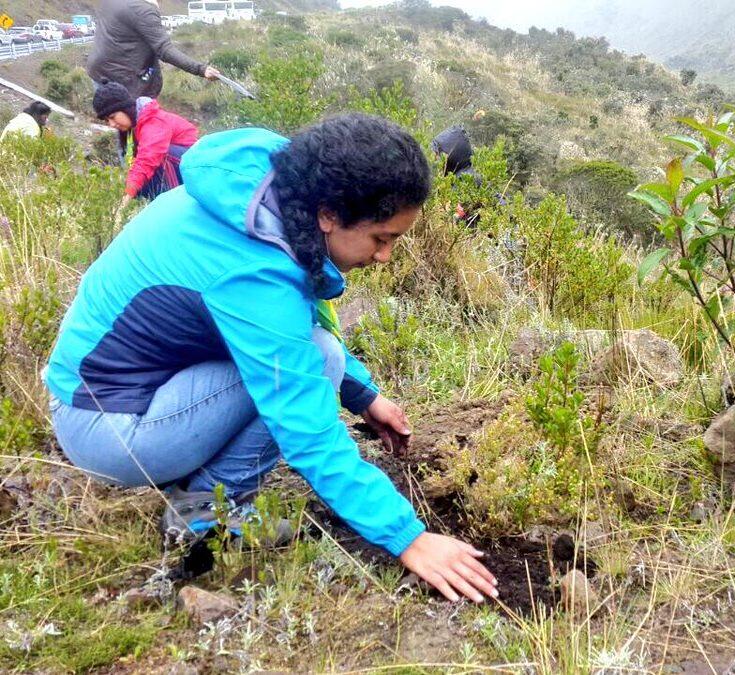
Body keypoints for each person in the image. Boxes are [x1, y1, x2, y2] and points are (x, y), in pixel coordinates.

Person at [44, 114, 499, 604]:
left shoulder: (262, 195)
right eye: (380, 238)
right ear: (329, 214)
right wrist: (408, 538)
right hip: (108, 428)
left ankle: (199, 485)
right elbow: (304, 420)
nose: (384, 256)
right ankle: (206, 511)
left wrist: (363, 394)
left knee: (320, 358)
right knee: (319, 362)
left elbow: (287, 327)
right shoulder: (253, 267)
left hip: (131, 391)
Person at [93, 81, 200, 209]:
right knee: (138, 179)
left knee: (159, 158)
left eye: (113, 117)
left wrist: (124, 201)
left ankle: (176, 208)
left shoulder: (154, 121)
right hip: (182, 167)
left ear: (125, 108)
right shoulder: (136, 124)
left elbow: (147, 159)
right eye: (107, 120)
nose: (111, 124)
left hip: (197, 167)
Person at [87, 0, 221, 100]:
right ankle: (130, 136)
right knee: (135, 127)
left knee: (123, 125)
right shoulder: (141, 10)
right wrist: (201, 69)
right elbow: (164, 49)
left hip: (99, 72)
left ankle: (127, 136)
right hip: (125, 81)